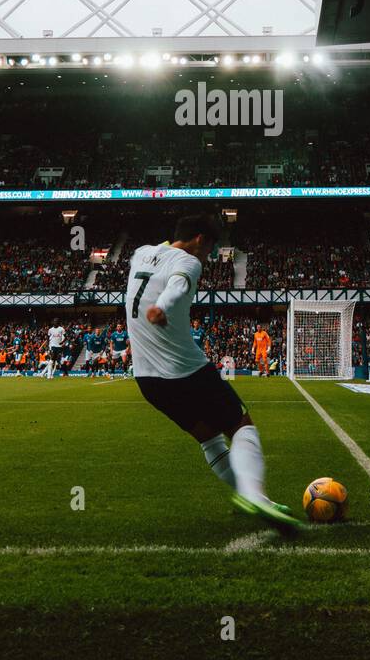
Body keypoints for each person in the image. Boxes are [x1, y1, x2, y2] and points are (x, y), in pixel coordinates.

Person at [125, 213, 300, 533]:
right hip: (185, 371)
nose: (209, 256)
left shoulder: (139, 253)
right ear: (199, 240)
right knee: (241, 425)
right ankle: (253, 495)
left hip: (148, 381)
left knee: (209, 440)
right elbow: (177, 285)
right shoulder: (189, 261)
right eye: (210, 249)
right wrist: (161, 306)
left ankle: (254, 498)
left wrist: (157, 304)